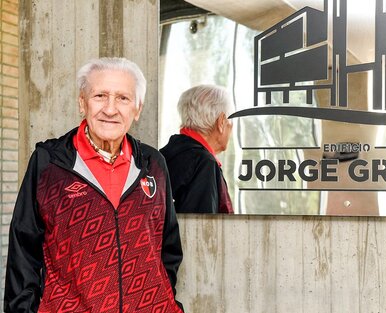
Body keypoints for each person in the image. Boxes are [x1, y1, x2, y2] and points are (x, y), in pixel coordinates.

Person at [4, 57, 184, 313]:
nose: (110, 109)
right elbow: (23, 252)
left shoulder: (153, 163)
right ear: (82, 103)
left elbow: (168, 248)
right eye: (100, 96)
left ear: (138, 109)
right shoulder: (49, 163)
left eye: (123, 98)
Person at [160, 85, 234, 214]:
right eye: (230, 120)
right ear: (221, 122)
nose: (231, 127)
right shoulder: (203, 163)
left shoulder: (162, 155)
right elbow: (203, 228)